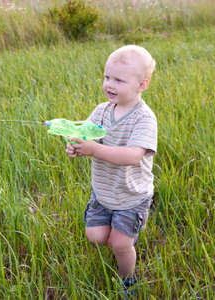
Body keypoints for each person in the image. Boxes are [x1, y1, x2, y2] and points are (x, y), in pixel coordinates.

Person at [66, 45, 157, 297]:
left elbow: (132, 156)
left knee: (120, 244)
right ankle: (125, 237)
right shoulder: (102, 111)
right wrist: (75, 145)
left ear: (142, 85)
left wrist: (94, 149)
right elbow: (84, 134)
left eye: (119, 80)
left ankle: (127, 279)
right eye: (107, 77)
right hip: (104, 193)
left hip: (131, 197)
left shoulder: (144, 118)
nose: (109, 84)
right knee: (95, 236)